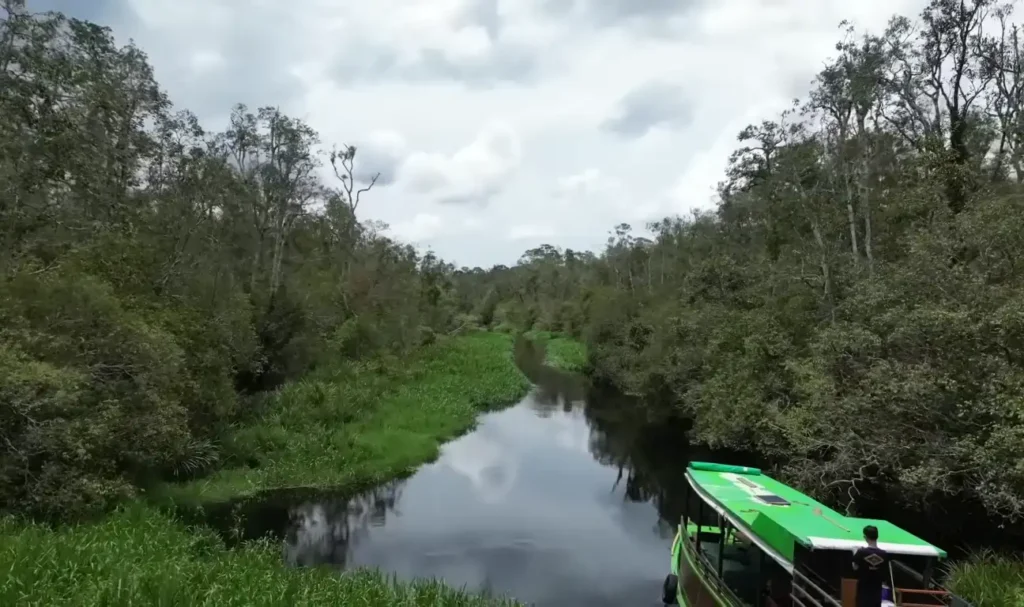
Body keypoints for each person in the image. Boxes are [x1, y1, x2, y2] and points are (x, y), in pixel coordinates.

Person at [852, 525, 890, 607]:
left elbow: (855, 567)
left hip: (863, 591)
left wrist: (855, 552)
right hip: (876, 592)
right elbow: (885, 573)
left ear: (865, 537)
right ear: (877, 536)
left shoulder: (861, 552)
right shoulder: (884, 554)